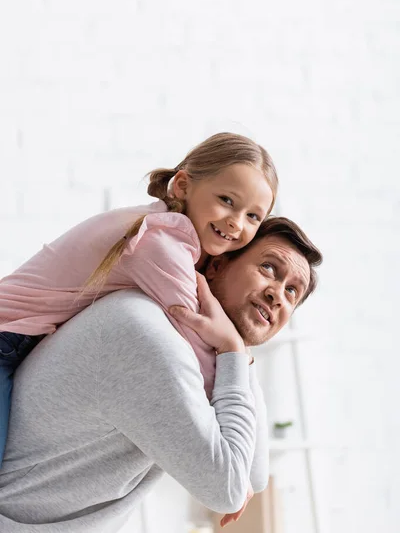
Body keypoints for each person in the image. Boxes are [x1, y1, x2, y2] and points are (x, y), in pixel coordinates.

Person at [0, 216, 322, 532]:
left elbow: (253, 474)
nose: (277, 294)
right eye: (268, 268)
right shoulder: (145, 332)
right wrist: (233, 352)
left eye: (293, 292)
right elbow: (228, 491)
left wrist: (237, 352)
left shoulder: (205, 352)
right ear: (217, 265)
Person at [0, 132, 278, 465]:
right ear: (182, 186)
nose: (236, 222)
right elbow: (197, 355)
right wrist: (226, 448)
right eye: (228, 200)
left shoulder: (167, 231)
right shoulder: (160, 245)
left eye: (253, 217)